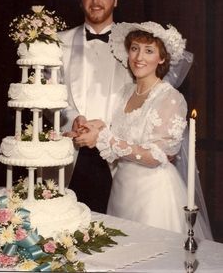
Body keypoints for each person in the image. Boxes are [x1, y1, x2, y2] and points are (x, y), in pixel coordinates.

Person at [58, 0, 193, 214]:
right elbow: (52, 97)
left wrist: (103, 138)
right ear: (80, 0)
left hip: (119, 167)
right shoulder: (59, 42)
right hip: (74, 156)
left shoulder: (130, 45)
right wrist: (74, 121)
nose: (96, 1)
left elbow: (160, 147)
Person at [73, 21, 212, 239]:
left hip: (153, 195)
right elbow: (118, 131)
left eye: (149, 51)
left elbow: (158, 156)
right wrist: (91, 126)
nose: (139, 57)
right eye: (135, 48)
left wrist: (104, 139)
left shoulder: (171, 98)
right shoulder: (125, 91)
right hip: (122, 189)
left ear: (162, 58)